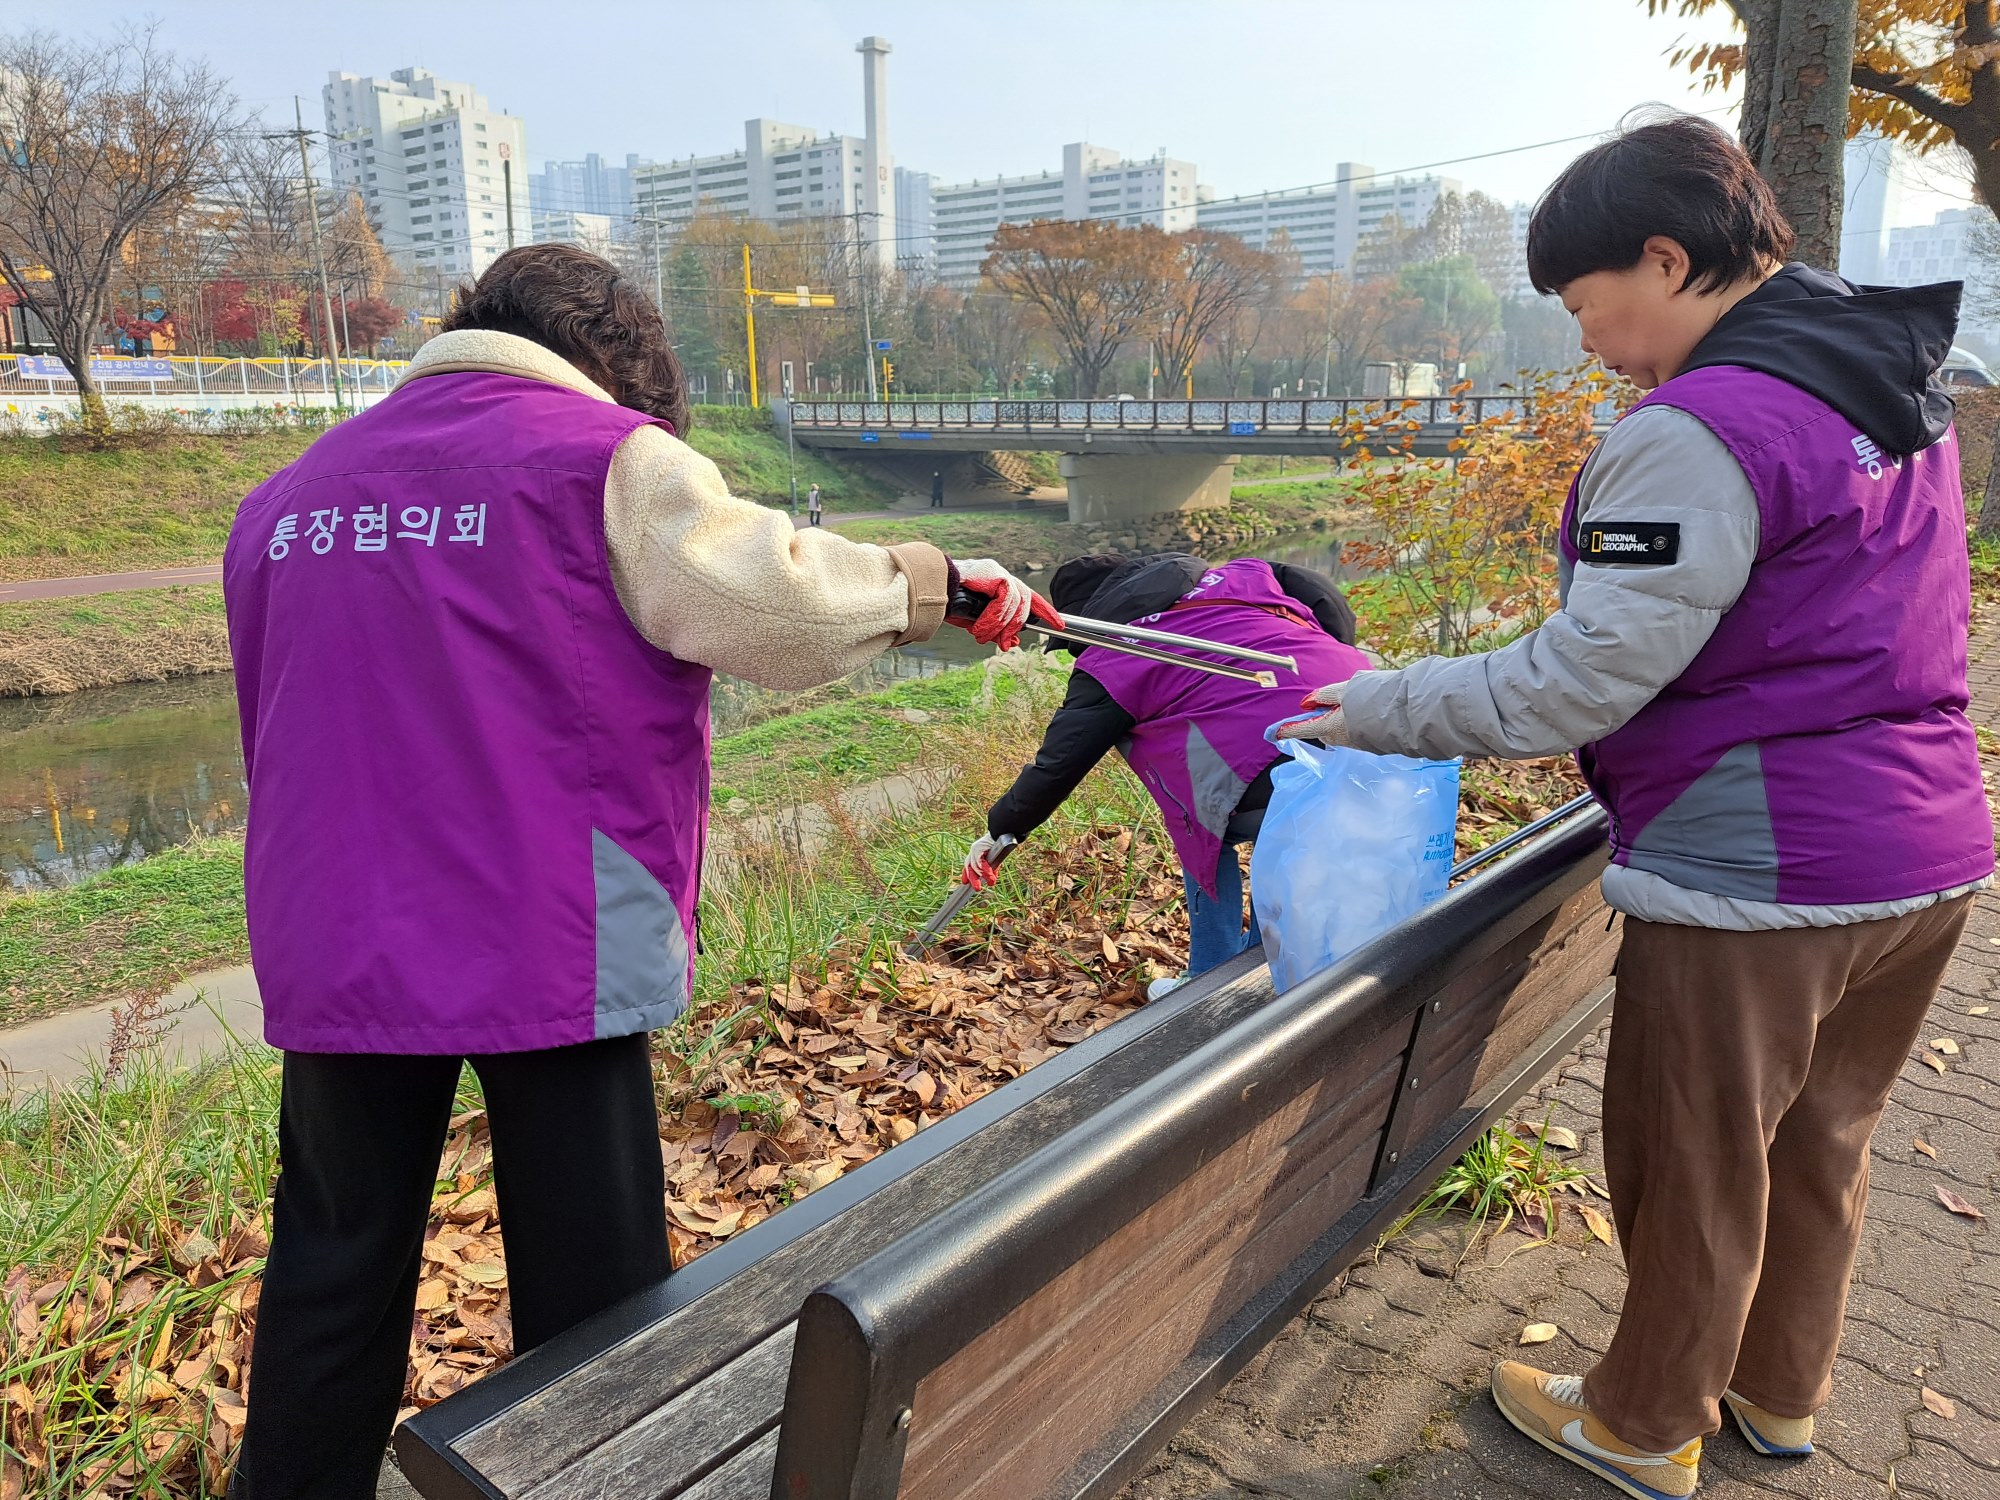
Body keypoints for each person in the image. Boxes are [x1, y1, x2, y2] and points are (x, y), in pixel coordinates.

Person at [222, 244, 1054, 1500]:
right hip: (553, 925)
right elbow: (780, 604)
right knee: (589, 1288)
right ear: (616, 363)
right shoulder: (601, 458)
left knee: (333, 1265)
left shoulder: (287, 499)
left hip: (336, 929)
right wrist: (929, 586)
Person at [1281, 115, 1992, 1499]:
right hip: (1932, 849)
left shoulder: (1697, 432)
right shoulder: (1889, 376)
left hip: (1764, 872)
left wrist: (1376, 702)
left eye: (1583, 301)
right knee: (1817, 1145)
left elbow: (1569, 686)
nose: (1583, 338)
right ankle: (1776, 1402)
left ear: (1664, 260)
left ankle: (1639, 1426)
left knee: (1697, 1165)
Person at [967, 551, 1368, 995]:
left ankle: (1216, 977)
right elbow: (1315, 586)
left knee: (1203, 821)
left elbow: (1058, 765)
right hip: (1379, 734)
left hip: (1297, 769)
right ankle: (1245, 966)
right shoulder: (1245, 581)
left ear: (1083, 620)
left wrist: (1001, 829)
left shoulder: (1116, 653)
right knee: (1258, 814)